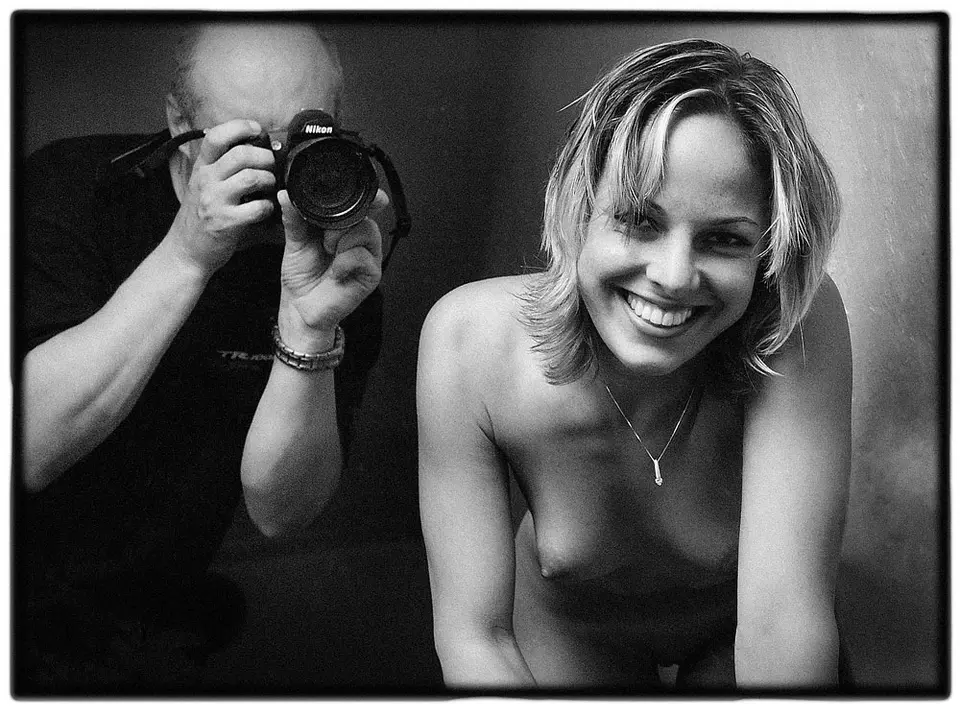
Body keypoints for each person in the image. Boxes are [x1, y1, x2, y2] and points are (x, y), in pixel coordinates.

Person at [418, 38, 852, 691]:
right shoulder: (466, 343)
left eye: (724, 239)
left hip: (735, 629)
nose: (674, 276)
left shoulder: (795, 320)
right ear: (578, 208)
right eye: (639, 221)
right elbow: (474, 636)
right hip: (568, 634)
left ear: (767, 252)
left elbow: (782, 623)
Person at [15, 21, 386, 692]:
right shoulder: (74, 188)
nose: (278, 171)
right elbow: (29, 449)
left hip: (154, 599)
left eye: (300, 138)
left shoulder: (336, 261)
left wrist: (309, 325)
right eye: (250, 143)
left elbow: (281, 513)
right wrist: (189, 254)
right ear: (178, 123)